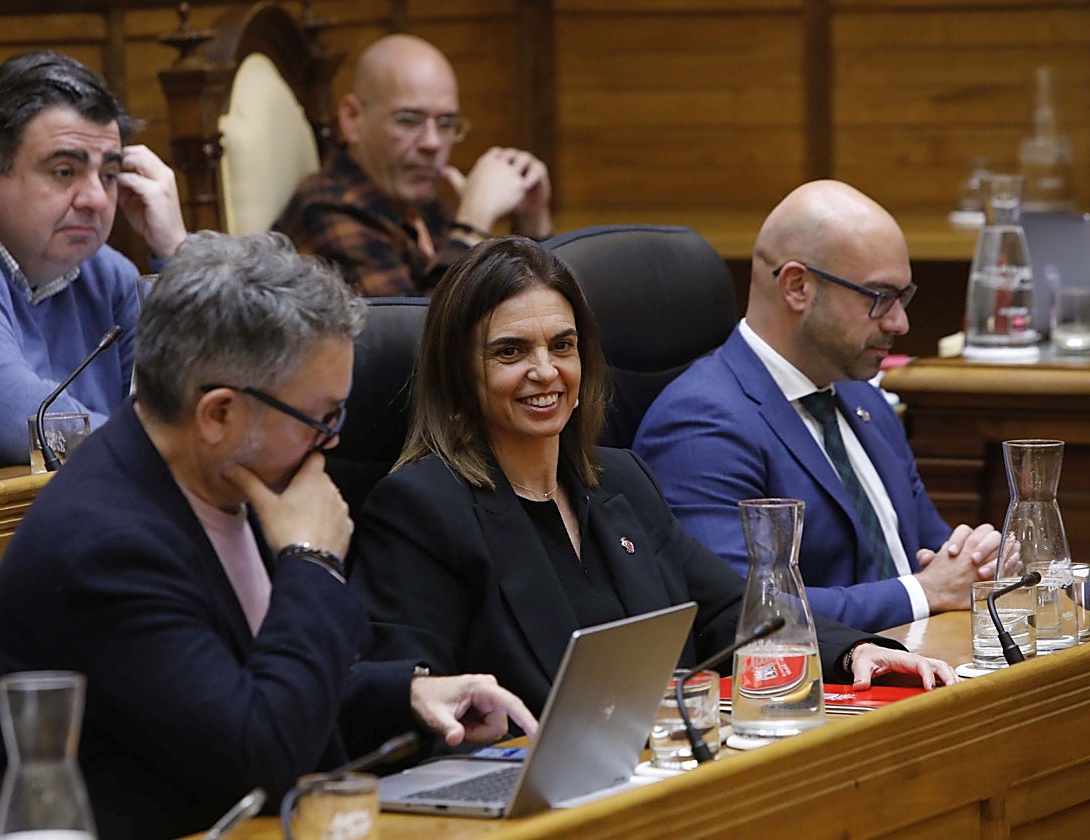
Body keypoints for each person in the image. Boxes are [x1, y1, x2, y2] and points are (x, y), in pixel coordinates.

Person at [0, 231, 537, 840]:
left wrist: (406, 695)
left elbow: (254, 681)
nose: (333, 441)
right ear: (219, 414)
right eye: (321, 417)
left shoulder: (231, 479)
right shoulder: (104, 547)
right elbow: (259, 758)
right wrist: (311, 560)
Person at [348, 235, 955, 721]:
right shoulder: (420, 509)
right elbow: (418, 702)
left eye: (563, 345)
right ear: (459, 373)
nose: (545, 371)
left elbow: (728, 610)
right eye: (510, 352)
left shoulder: (621, 480)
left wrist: (853, 649)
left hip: (670, 770)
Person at [634, 180, 1002, 633]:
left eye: (903, 298)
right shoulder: (701, 423)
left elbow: (931, 546)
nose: (900, 322)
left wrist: (980, 561)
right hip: (820, 690)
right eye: (879, 298)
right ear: (797, 286)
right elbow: (743, 607)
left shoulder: (861, 396)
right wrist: (924, 592)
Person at [0, 50, 188, 469]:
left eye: (108, 176)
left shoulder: (104, 271)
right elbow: (20, 421)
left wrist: (177, 253)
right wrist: (178, 458)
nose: (96, 200)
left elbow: (202, 405)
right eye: (65, 171)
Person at [276, 33, 553, 296]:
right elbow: (414, 339)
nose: (432, 143)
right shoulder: (327, 206)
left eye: (446, 123)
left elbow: (529, 310)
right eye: (408, 120)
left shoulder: (423, 206)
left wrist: (532, 221)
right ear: (352, 119)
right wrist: (473, 222)